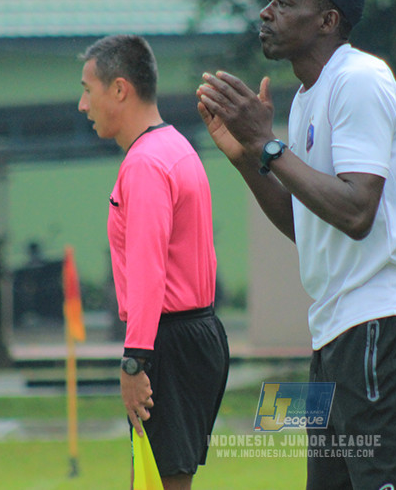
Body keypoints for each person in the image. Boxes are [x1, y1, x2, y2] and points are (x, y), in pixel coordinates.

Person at [197, 0, 396, 489]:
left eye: (284, 3)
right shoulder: (308, 100)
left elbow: (357, 212)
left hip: (385, 322)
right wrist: (247, 156)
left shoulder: (358, 80)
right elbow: (306, 221)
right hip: (335, 330)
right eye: (270, 2)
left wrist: (268, 145)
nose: (266, 13)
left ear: (327, 20)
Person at [78, 34, 229, 490]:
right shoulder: (177, 147)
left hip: (167, 342)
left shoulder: (145, 164)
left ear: (120, 89)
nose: (83, 105)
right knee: (148, 480)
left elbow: (147, 272)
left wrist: (133, 363)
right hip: (195, 333)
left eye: (88, 89)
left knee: (161, 483)